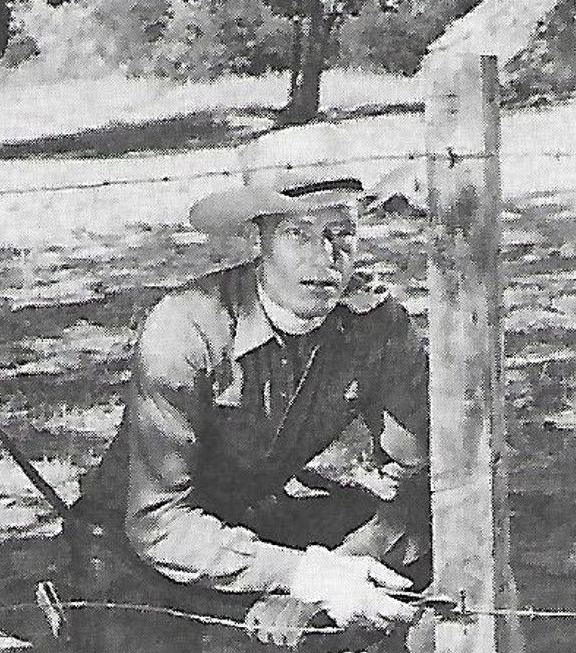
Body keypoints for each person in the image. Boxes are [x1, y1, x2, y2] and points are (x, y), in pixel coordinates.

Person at [68, 153, 435, 652]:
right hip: (141, 545)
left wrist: (339, 572)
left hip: (255, 521)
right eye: (298, 234)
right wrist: (302, 574)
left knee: (424, 545)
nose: (325, 257)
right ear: (256, 241)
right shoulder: (189, 328)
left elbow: (416, 478)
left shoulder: (378, 326)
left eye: (341, 232)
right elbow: (157, 524)